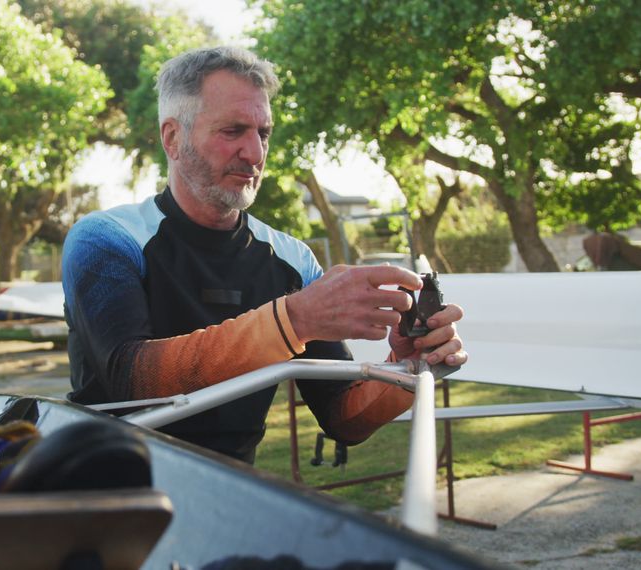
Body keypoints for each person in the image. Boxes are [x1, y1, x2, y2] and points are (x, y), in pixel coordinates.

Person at [62, 46, 466, 463]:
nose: (255, 154)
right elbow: (131, 381)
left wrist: (405, 366)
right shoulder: (106, 237)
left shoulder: (293, 258)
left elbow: (342, 417)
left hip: (232, 498)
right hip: (110, 494)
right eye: (232, 131)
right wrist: (295, 319)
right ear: (173, 138)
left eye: (263, 133)